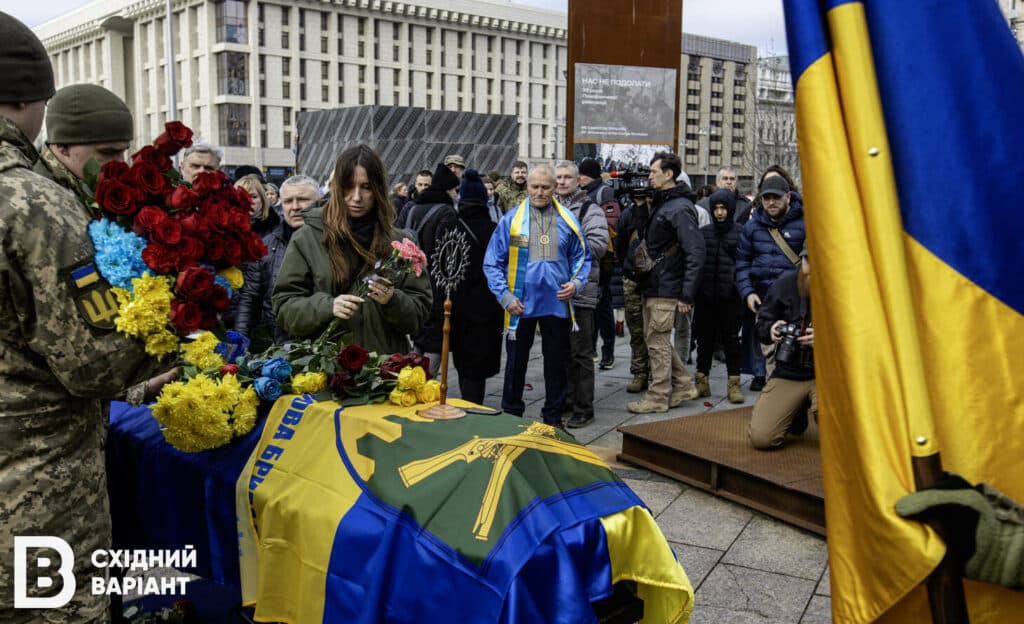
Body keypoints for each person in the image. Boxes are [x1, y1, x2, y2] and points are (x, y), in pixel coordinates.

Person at [0, 13, 166, 622]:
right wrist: (166, 325)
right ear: (28, 98)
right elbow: (91, 363)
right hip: (35, 488)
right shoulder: (33, 203)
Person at [272, 145, 432, 354]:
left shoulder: (401, 244)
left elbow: (420, 315)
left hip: (386, 372)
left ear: (378, 190)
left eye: (366, 187)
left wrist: (393, 300)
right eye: (349, 186)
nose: (356, 197)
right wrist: (327, 307)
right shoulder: (308, 238)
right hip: (326, 371)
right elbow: (284, 306)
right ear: (337, 187)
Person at [483, 165, 590, 426]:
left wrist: (576, 283)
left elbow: (582, 256)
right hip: (520, 305)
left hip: (557, 304)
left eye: (545, 187)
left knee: (556, 365)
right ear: (527, 187)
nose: (540, 192)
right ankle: (511, 415)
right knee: (516, 364)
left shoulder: (568, 219)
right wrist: (505, 297)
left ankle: (553, 418)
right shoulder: (511, 220)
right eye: (535, 187)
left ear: (555, 188)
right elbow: (491, 262)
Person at [626, 152, 705, 414]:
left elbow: (695, 251)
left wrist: (687, 295)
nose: (649, 177)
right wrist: (640, 207)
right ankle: (683, 385)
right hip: (655, 283)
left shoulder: (680, 208)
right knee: (656, 339)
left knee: (657, 342)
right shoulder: (662, 204)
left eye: (653, 172)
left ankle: (658, 397)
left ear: (668, 174)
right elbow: (646, 239)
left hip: (667, 285)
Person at [735, 174, 806, 391]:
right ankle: (773, 398)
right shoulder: (752, 226)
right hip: (764, 300)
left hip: (796, 303)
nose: (771, 202)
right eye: (766, 198)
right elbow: (742, 262)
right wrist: (747, 292)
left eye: (775, 198)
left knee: (795, 354)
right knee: (768, 352)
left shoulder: (806, 223)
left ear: (787, 197)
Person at [236, 175, 320, 344]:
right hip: (280, 344)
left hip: (325, 344)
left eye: (303, 200)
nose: (295, 207)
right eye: (288, 201)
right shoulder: (265, 246)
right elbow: (250, 297)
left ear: (320, 201)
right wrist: (239, 341)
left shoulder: (337, 242)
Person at [555, 161, 608, 429]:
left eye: (568, 177)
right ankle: (567, 399)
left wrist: (562, 245)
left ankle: (584, 407)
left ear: (578, 181)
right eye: (559, 177)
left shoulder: (590, 209)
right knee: (561, 352)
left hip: (581, 293)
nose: (562, 182)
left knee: (581, 353)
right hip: (554, 293)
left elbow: (599, 245)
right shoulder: (549, 207)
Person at [749, 246, 815, 449]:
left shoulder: (846, 286)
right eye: (807, 261)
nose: (812, 269)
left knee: (841, 436)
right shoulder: (784, 284)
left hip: (831, 376)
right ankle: (796, 410)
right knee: (762, 439)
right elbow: (762, 324)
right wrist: (771, 329)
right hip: (790, 371)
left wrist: (827, 339)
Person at [401, 162, 461, 378]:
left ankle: (410, 378)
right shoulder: (446, 212)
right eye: (454, 190)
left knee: (418, 334)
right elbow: (448, 254)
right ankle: (425, 381)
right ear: (447, 190)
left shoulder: (412, 209)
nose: (456, 194)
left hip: (411, 280)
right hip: (436, 284)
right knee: (435, 339)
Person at [449, 169, 504, 404]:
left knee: (463, 361)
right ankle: (473, 406)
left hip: (459, 307)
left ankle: (466, 402)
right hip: (488, 307)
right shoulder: (494, 229)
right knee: (478, 366)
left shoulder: (451, 227)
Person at [34, 83, 131, 201]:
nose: (121, 163)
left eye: (123, 151)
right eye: (107, 152)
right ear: (63, 147)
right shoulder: (36, 196)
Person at [693, 189, 745, 404]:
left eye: (723, 208)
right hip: (706, 297)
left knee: (731, 341)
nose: (720, 212)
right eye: (716, 208)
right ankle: (701, 381)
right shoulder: (704, 232)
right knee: (704, 340)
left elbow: (744, 263)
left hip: (730, 299)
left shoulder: (741, 232)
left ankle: (734, 383)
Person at [578, 157, 616, 369]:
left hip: (602, 261)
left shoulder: (603, 193)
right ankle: (592, 350)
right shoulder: (586, 194)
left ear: (584, 176)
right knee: (591, 307)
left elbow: (611, 225)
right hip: (593, 261)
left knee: (603, 307)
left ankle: (607, 353)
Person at [615, 190, 651, 394]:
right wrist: (629, 266)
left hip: (656, 280)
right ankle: (639, 372)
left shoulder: (659, 211)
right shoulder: (627, 215)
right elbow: (620, 245)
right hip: (632, 279)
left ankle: (656, 372)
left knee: (655, 330)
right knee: (636, 329)